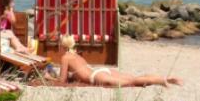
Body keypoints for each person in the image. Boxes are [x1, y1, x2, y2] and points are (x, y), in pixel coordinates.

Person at [53, 35, 182, 88]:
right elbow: (79, 71)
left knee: (132, 82)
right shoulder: (77, 55)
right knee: (134, 78)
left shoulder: (65, 57)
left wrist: (49, 77)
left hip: (96, 77)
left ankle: (162, 81)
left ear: (62, 46)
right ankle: (165, 78)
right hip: (101, 71)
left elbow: (62, 80)